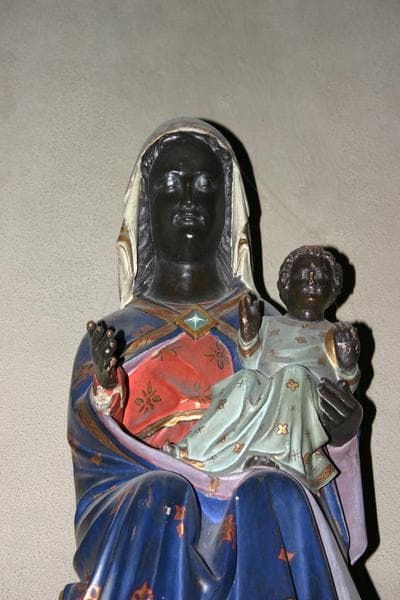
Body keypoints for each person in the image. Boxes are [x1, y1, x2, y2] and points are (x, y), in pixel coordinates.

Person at [62, 119, 366, 600]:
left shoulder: (271, 329)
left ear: (228, 211)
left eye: (205, 186)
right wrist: (105, 394)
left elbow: (307, 439)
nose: (189, 199)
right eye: (171, 185)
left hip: (255, 483)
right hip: (148, 500)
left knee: (271, 493)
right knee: (161, 495)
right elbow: (96, 463)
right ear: (145, 210)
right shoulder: (116, 335)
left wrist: (343, 433)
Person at [170, 246, 361, 493]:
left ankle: (283, 456)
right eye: (303, 276)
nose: (312, 282)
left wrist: (348, 366)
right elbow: (252, 362)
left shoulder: (333, 332)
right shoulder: (269, 324)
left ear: (334, 291)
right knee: (245, 379)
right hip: (266, 397)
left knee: (294, 376)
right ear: (285, 287)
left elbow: (344, 388)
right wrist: (249, 335)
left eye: (321, 278)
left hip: (305, 404)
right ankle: (195, 448)